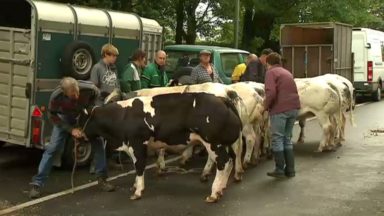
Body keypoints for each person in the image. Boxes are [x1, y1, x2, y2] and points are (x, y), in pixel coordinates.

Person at [29, 77, 115, 199]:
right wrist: (71, 130)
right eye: (72, 94)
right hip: (64, 118)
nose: (76, 95)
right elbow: (52, 115)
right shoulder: (56, 96)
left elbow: (98, 100)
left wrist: (88, 121)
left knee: (98, 141)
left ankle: (102, 179)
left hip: (83, 114)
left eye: (77, 92)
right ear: (64, 93)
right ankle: (37, 184)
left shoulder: (90, 88)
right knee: (52, 149)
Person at [264, 52, 300, 178]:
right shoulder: (287, 72)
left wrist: (264, 106)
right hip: (294, 108)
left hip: (280, 109)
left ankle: (279, 168)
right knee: (287, 138)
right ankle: (290, 170)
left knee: (277, 138)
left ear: (268, 62)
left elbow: (271, 92)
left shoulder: (271, 73)